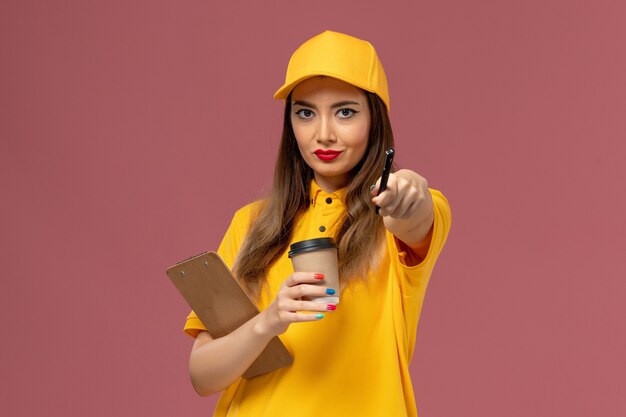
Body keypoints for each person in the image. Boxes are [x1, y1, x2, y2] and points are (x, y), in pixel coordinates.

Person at [183, 30, 452, 417]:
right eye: (305, 112)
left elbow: (416, 212)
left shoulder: (391, 223)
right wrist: (269, 321)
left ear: (375, 120)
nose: (323, 133)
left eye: (345, 112)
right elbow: (202, 376)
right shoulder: (251, 223)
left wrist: (408, 192)